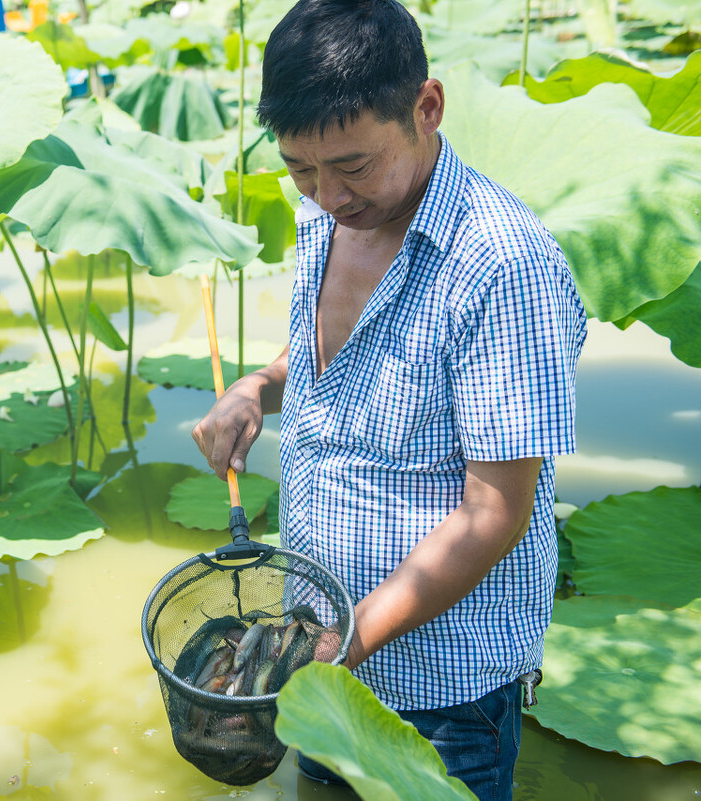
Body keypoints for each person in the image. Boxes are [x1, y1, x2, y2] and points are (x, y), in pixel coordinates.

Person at [190, 1, 587, 799]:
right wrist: (257, 386)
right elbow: (329, 350)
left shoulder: (503, 268)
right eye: (302, 168)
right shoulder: (327, 214)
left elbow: (493, 514)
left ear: (426, 107)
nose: (327, 194)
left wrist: (345, 641)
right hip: (319, 651)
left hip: (440, 691)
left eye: (353, 166)